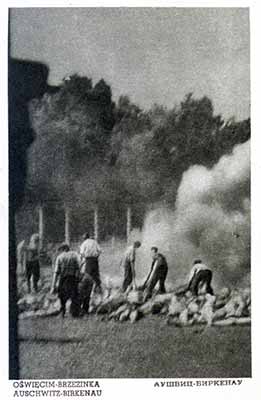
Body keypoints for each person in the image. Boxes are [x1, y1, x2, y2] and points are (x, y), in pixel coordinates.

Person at [50, 243, 81, 318]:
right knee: (74, 296)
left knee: (62, 296)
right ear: (68, 248)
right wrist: (77, 278)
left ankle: (62, 312)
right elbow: (77, 268)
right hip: (72, 278)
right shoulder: (74, 257)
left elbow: (56, 272)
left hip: (63, 278)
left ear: (62, 249)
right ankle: (74, 313)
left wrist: (53, 285)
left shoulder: (60, 257)